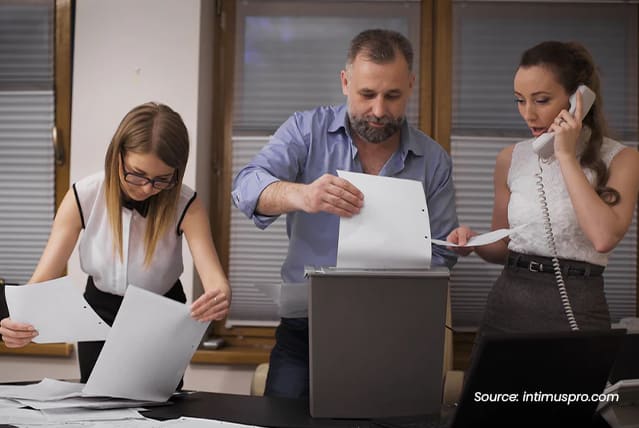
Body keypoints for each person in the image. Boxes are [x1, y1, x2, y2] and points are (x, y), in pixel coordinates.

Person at [232, 29, 459, 398]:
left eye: (393, 96)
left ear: (412, 86)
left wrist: (455, 245)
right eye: (367, 94)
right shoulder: (306, 132)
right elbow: (246, 187)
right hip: (305, 330)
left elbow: (443, 255)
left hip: (395, 333)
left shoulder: (433, 161)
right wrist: (301, 194)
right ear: (345, 81)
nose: (379, 111)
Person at [0, 102, 231, 382]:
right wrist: (19, 321)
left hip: (162, 315)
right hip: (98, 314)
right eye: (137, 174)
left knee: (161, 409)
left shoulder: (186, 203)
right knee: (98, 412)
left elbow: (214, 280)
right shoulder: (83, 196)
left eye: (161, 180)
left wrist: (218, 297)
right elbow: (42, 279)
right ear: (116, 155)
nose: (147, 189)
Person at [447, 41, 639, 334]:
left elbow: (603, 237)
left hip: (578, 306)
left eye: (541, 100)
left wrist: (565, 155)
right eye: (519, 100)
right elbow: (502, 247)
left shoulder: (623, 159)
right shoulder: (511, 158)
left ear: (578, 100)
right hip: (508, 305)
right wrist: (471, 242)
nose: (528, 114)